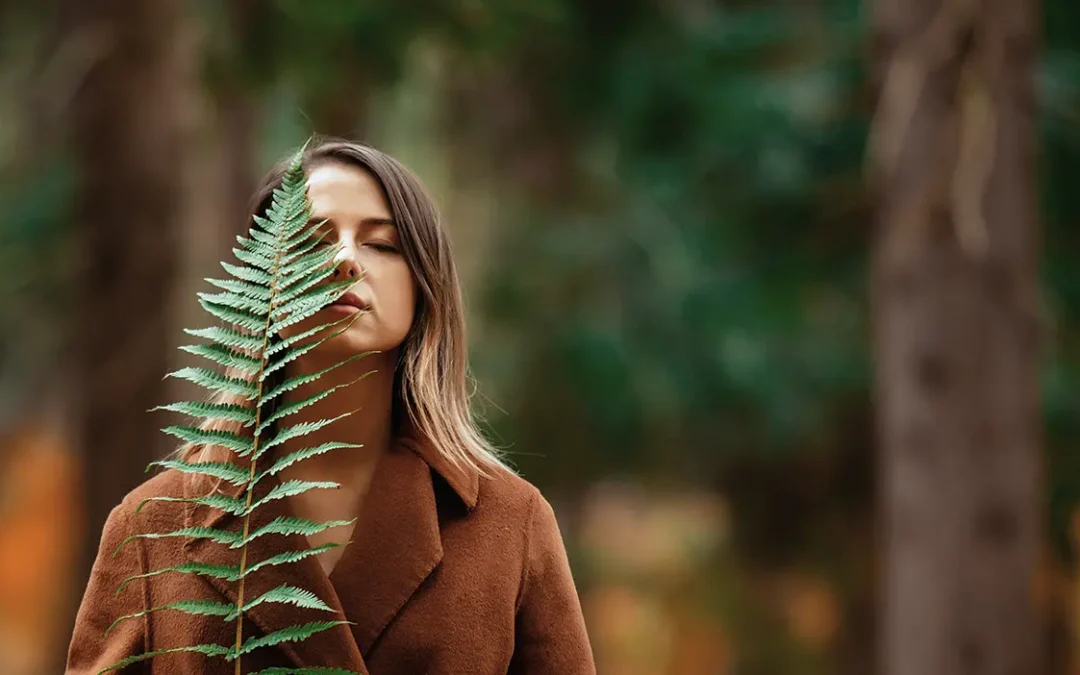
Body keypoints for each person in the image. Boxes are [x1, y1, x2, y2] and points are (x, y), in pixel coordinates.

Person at [65, 138, 596, 674]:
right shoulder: (155, 523)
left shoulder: (509, 521)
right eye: (311, 240)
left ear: (424, 285)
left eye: (382, 245)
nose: (344, 259)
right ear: (262, 280)